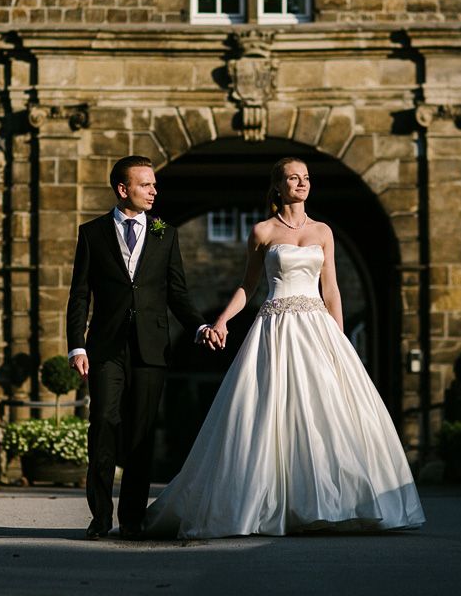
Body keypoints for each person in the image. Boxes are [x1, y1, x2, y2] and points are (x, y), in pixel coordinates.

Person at [144, 157, 426, 538]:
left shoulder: (323, 231)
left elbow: (332, 290)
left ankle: (335, 504)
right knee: (269, 412)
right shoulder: (262, 231)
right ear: (278, 185)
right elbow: (249, 287)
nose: (302, 183)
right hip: (276, 327)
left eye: (306, 178)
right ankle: (271, 503)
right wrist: (222, 320)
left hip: (316, 327)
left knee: (327, 411)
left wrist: (338, 339)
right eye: (294, 178)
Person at [65, 155, 210, 540]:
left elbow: (176, 292)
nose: (153, 191)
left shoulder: (166, 233)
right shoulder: (92, 233)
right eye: (145, 185)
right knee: (104, 426)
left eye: (154, 184)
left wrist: (199, 325)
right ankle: (99, 516)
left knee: (141, 434)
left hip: (151, 348)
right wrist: (76, 347)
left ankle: (131, 519)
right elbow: (79, 295)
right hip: (106, 348)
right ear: (122, 189)